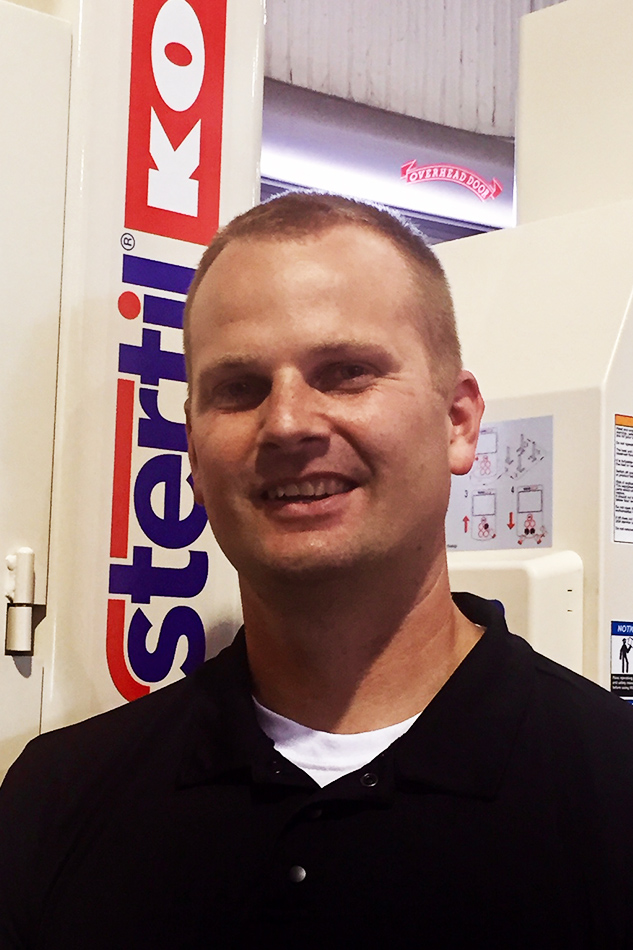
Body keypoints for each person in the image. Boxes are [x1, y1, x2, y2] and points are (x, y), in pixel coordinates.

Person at [1, 193, 633, 949]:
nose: (288, 423)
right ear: (193, 451)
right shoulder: (55, 798)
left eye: (345, 373)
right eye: (239, 388)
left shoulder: (611, 791)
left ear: (458, 422)